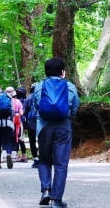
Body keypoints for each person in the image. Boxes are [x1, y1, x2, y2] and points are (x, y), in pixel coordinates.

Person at [34, 58, 80, 207]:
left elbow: (36, 106)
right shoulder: (70, 86)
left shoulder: (40, 86)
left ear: (46, 72)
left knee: (45, 160)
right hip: (63, 127)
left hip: (44, 128)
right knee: (61, 164)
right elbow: (74, 107)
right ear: (63, 72)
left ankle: (46, 190)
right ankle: (56, 200)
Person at [6, 86, 27, 162]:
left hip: (7, 122)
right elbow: (21, 113)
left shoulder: (6, 101)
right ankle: (15, 157)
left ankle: (6, 155)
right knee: (17, 139)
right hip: (18, 123)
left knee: (8, 139)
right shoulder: (18, 101)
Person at [24, 83, 40, 168]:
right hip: (41, 122)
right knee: (42, 141)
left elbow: (24, 112)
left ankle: (35, 159)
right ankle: (43, 158)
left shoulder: (28, 98)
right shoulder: (42, 96)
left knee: (32, 142)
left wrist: (25, 124)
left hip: (31, 123)